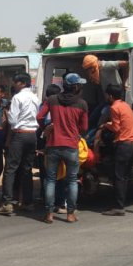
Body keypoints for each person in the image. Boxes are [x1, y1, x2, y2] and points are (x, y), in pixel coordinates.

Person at [37, 74, 89, 224]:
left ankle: (49, 214)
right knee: (72, 180)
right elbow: (84, 127)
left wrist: (46, 129)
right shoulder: (82, 104)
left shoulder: (52, 100)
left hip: (53, 145)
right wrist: (75, 131)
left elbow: (40, 117)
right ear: (76, 87)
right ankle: (70, 214)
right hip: (71, 146)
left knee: (51, 179)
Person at [0, 73, 39, 216]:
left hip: (20, 134)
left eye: (15, 82)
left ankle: (7, 203)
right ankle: (28, 202)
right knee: (27, 169)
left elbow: (13, 120)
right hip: (32, 134)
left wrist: (7, 116)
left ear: (21, 83)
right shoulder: (35, 97)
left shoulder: (17, 97)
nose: (13, 84)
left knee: (11, 169)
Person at [100, 84, 133, 216]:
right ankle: (121, 203)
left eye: (106, 95)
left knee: (118, 177)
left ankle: (119, 207)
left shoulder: (114, 107)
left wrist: (106, 125)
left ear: (110, 96)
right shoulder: (125, 105)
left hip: (123, 146)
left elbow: (116, 128)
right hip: (132, 146)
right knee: (124, 177)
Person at [37, 84, 68, 214]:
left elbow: (39, 119)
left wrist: (44, 129)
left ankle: (46, 200)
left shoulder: (43, 106)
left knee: (46, 174)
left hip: (45, 142)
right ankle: (60, 203)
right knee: (60, 174)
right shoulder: (60, 106)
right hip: (58, 142)